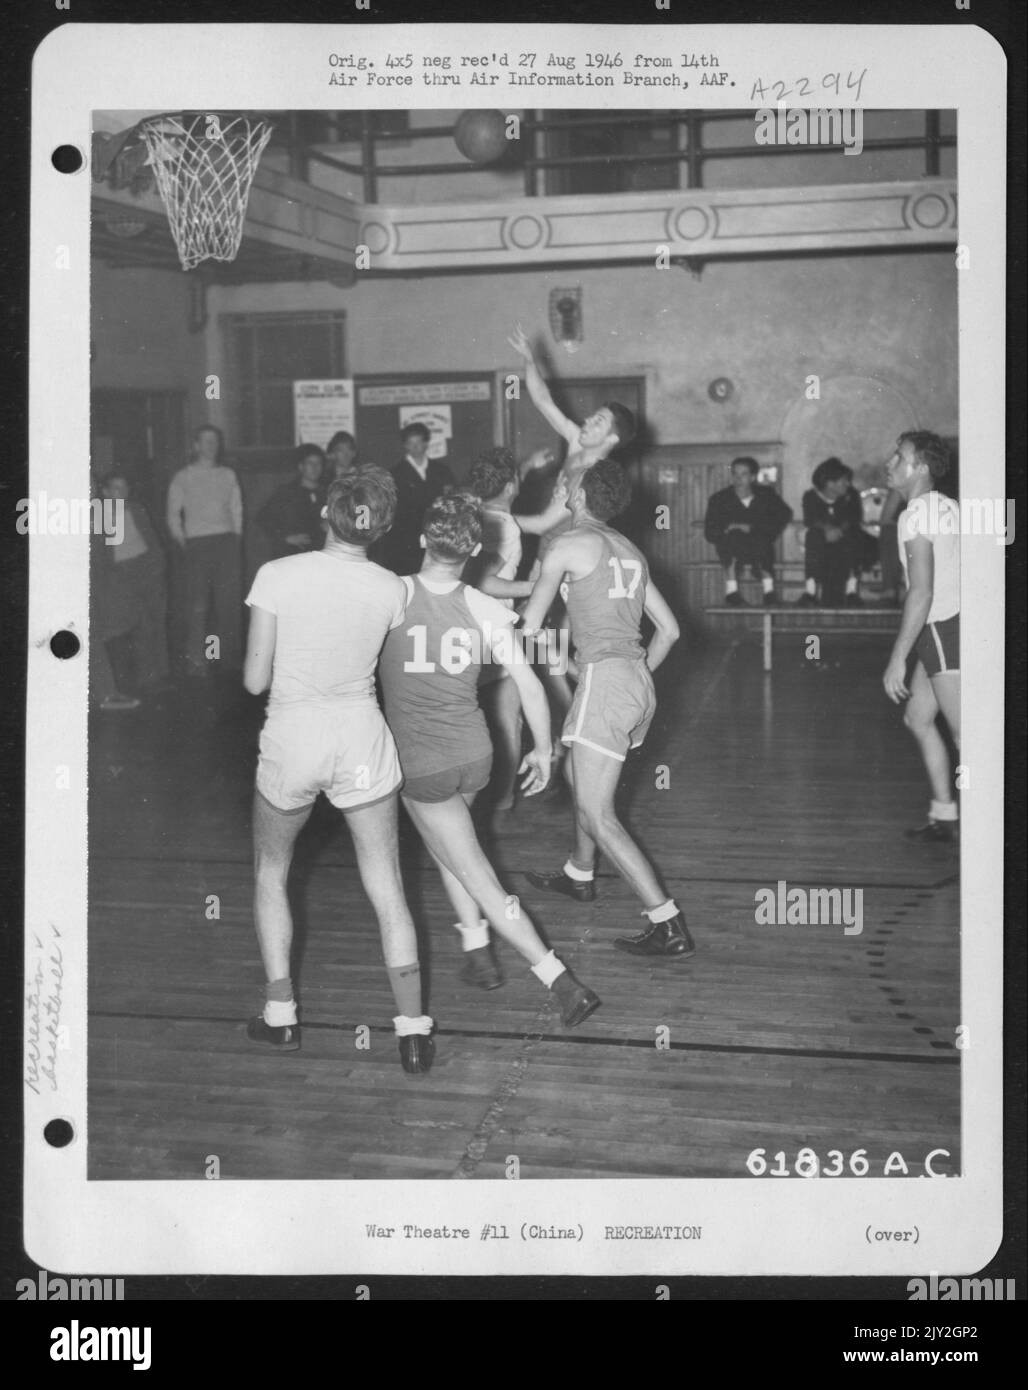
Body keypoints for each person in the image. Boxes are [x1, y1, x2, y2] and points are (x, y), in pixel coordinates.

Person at [378, 491, 601, 1025]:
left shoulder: (392, 595)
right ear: (476, 548)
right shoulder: (483, 606)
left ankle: (558, 978)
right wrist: (544, 751)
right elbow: (527, 683)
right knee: (453, 846)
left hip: (421, 761)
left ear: (420, 538)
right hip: (476, 755)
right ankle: (477, 950)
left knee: (475, 869)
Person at [242, 468, 435, 1072]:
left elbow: (253, 679)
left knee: (272, 873)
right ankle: (411, 1032)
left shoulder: (276, 574)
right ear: (381, 527)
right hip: (362, 736)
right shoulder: (393, 589)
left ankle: (281, 1019)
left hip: (293, 736)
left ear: (326, 512)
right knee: (387, 885)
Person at [518, 457, 694, 959]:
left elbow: (530, 624)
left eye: (566, 489)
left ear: (577, 499)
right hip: (636, 681)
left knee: (599, 813)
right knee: (580, 778)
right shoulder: (630, 550)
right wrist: (627, 677)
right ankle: (579, 872)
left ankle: (667, 922)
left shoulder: (566, 544)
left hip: (609, 683)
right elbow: (671, 630)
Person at [881, 432, 960, 843]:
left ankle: (990, 841)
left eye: (900, 456)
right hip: (942, 629)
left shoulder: (916, 515)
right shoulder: (948, 505)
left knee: (968, 736)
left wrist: (898, 657)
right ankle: (945, 815)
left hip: (945, 630)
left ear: (922, 468)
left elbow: (922, 591)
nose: (891, 462)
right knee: (918, 717)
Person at [464, 446, 551, 810]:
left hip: (462, 626)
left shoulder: (472, 513)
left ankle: (482, 797)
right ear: (512, 486)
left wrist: (527, 466)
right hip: (493, 630)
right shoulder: (507, 527)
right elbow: (484, 580)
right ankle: (501, 801)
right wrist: (540, 585)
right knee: (509, 716)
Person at [166, 425, 243, 676]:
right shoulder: (183, 477)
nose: (212, 446)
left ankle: (229, 658)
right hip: (197, 544)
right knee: (198, 605)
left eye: (215, 441)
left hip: (226, 543)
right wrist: (184, 541)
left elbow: (236, 508)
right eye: (206, 441)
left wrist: (235, 537)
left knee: (228, 604)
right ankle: (197, 660)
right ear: (196, 445)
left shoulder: (228, 474)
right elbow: (172, 514)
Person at [99, 471, 170, 693]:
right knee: (135, 623)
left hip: (145, 566)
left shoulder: (137, 509)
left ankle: (157, 675)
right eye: (116, 488)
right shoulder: (98, 515)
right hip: (121, 573)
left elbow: (152, 539)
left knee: (154, 620)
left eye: (125, 487)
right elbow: (100, 553)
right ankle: (142, 678)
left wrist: (157, 565)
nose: (122, 492)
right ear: (106, 492)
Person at [703, 457, 793, 606]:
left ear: (752, 477)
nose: (738, 479)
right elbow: (710, 532)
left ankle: (769, 592)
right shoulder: (719, 499)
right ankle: (731, 591)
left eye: (743, 474)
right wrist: (728, 528)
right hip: (733, 547)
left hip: (759, 545)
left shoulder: (766, 495)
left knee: (761, 538)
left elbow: (784, 514)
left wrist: (754, 527)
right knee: (732, 537)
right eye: (735, 474)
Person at [375, 422, 455, 575]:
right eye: (411, 444)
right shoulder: (394, 474)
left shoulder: (442, 471)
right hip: (406, 543)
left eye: (419, 442)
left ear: (426, 443)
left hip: (437, 539)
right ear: (405, 445)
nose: (416, 448)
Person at [797, 457, 864, 606]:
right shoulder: (811, 496)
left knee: (854, 537)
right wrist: (827, 529)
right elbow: (810, 519)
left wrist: (838, 530)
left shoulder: (851, 495)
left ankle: (851, 591)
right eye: (844, 480)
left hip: (844, 538)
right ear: (830, 483)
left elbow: (853, 518)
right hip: (822, 540)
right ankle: (810, 592)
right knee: (813, 536)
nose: (848, 484)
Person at [257, 444, 326, 558]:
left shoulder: (327, 493)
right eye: (310, 463)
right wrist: (285, 538)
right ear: (301, 466)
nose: (315, 467)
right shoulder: (286, 493)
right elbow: (263, 519)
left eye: (318, 463)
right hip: (292, 554)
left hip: (319, 555)